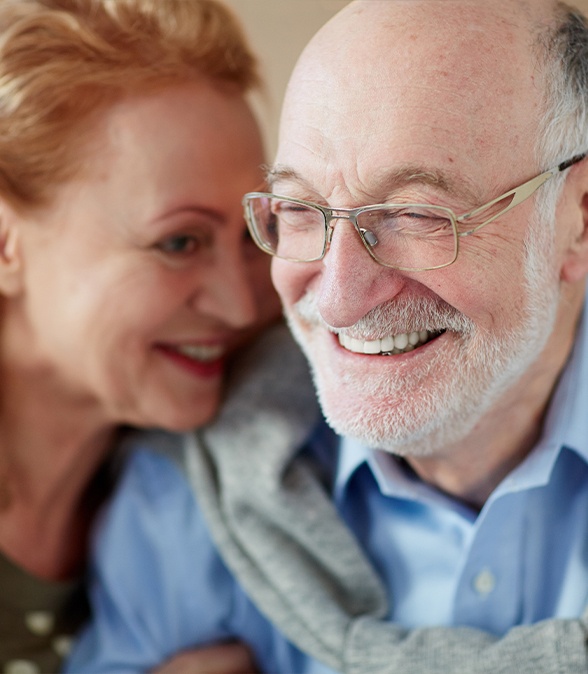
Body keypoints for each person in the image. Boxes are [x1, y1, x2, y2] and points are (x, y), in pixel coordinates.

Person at [67, 0, 588, 672]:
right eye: (301, 210)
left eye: (416, 212)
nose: (338, 298)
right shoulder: (180, 509)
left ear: (576, 220)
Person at [0, 0, 282, 671]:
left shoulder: (249, 460)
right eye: (179, 241)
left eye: (252, 235)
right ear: (7, 244)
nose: (241, 303)